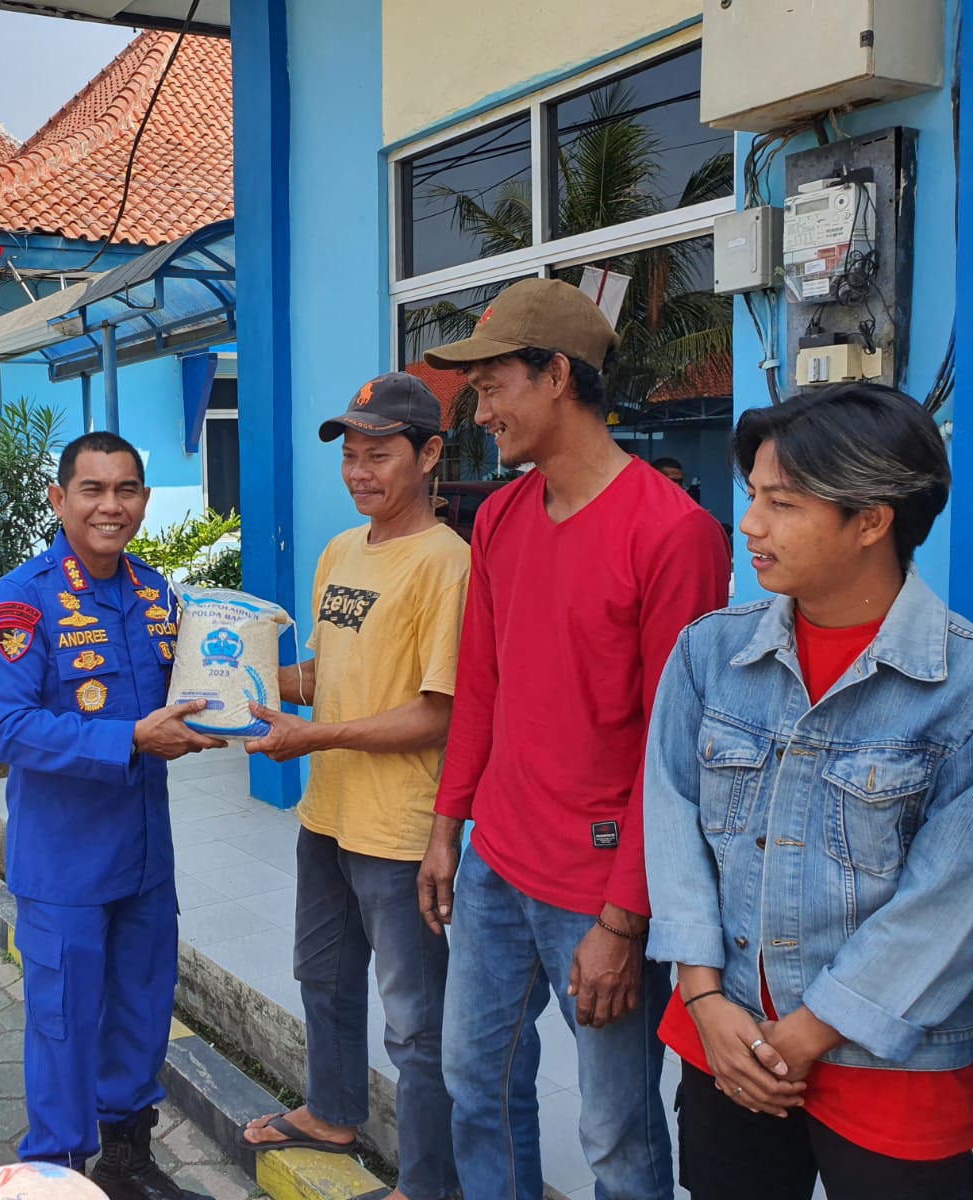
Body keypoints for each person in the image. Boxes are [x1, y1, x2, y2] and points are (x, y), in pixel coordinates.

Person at [414, 278, 730, 1200]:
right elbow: (481, 688)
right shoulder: (501, 517)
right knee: (474, 1084)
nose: (481, 411)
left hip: (599, 891)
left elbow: (677, 757)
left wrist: (625, 920)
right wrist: (447, 829)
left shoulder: (674, 535)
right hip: (496, 867)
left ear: (557, 376)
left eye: (492, 387)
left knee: (616, 1132)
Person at [645, 383, 973, 1199]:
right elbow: (673, 821)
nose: (749, 524)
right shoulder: (710, 655)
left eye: (781, 503)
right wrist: (704, 997)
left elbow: (948, 903)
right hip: (725, 1038)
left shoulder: (959, 687)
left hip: (892, 1067)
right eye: (753, 495)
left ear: (871, 521)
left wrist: (804, 1035)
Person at [0, 431, 222, 1200]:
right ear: (59, 499)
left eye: (126, 490)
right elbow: (10, 729)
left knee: (142, 1012)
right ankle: (56, 1175)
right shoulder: (22, 601)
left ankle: (127, 1160)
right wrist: (132, 739)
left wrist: (258, 692)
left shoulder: (156, 594)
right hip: (65, 867)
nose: (110, 506)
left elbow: (195, 683)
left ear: (143, 501)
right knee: (65, 1026)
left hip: (144, 859)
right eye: (92, 489)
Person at [238, 373, 467, 1200]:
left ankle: (429, 1182)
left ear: (430, 454)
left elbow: (439, 712)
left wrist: (314, 737)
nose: (359, 473)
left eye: (379, 455)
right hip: (328, 813)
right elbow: (328, 674)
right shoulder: (341, 551)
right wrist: (238, 682)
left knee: (415, 1023)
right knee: (323, 978)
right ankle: (333, 1112)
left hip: (399, 830)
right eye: (351, 457)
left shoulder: (448, 564)